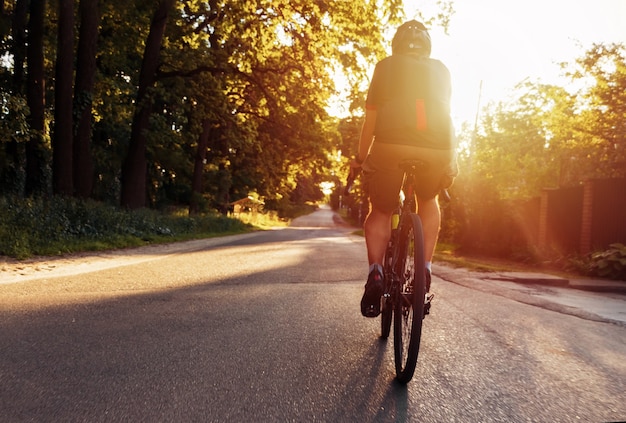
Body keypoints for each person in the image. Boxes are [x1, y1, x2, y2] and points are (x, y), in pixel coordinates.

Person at [350, 20, 458, 318]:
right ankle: (423, 271)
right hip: (438, 147)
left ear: (396, 45)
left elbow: (370, 123)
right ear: (427, 47)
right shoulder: (442, 70)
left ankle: (376, 273)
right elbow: (446, 114)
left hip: (390, 146)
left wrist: (360, 158)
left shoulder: (385, 67)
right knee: (429, 200)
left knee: (381, 210)